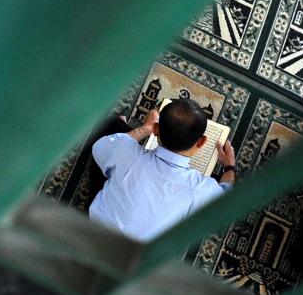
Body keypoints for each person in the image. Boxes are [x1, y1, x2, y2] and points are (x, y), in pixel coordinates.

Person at [87, 98, 237, 242]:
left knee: (114, 126)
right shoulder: (203, 190)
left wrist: (143, 130)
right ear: (202, 142)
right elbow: (224, 205)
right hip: (137, 261)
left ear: (156, 129)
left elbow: (100, 148)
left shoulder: (127, 153)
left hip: (95, 232)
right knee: (217, 181)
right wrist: (230, 169)